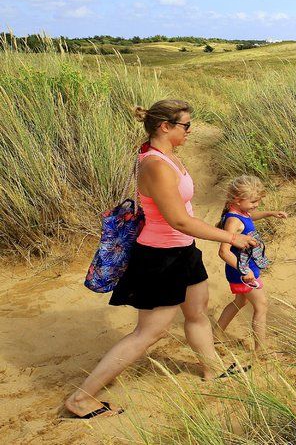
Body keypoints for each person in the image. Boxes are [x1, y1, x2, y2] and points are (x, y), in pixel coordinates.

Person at [64, 100, 259, 419]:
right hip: (160, 257)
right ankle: (81, 398)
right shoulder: (155, 164)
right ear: (165, 127)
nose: (190, 131)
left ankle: (212, 370)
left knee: (196, 313)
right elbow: (178, 220)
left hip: (183, 252)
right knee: (148, 333)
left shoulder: (169, 156)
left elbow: (184, 222)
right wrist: (231, 237)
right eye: (186, 125)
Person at [214, 176, 288, 353]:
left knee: (240, 302)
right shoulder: (233, 221)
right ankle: (260, 350)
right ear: (237, 199)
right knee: (261, 305)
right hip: (242, 270)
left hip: (246, 267)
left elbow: (249, 217)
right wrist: (244, 271)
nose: (256, 205)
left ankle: (216, 334)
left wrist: (270, 213)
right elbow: (223, 252)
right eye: (254, 201)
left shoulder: (240, 213)